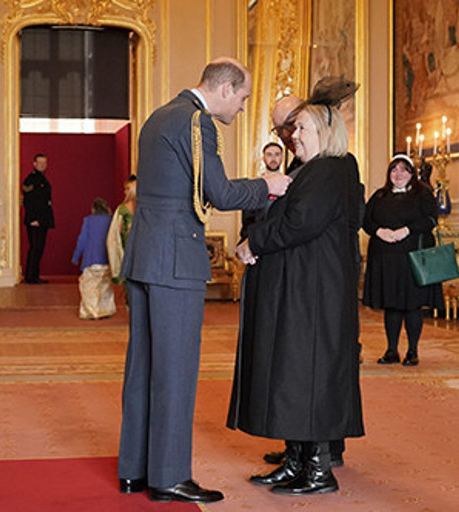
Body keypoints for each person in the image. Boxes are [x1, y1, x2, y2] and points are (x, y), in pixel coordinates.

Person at [117, 57, 291, 504]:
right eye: (244, 97)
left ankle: (135, 470)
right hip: (175, 259)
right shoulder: (198, 123)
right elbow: (221, 194)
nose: (242, 107)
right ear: (226, 89)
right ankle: (170, 476)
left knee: (143, 367)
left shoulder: (159, 116)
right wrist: (269, 184)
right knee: (174, 371)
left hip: (144, 256)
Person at [228, 91, 364, 496]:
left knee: (311, 372)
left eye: (300, 128)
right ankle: (296, 461)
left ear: (323, 130)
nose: (293, 137)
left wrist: (254, 241)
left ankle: (320, 470)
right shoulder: (315, 169)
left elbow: (300, 222)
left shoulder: (329, 170)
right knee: (294, 370)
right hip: (303, 287)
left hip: (316, 293)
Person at [362, 154, 444, 366]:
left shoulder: (422, 194)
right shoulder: (380, 195)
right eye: (394, 170)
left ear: (412, 174)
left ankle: (412, 351)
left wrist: (406, 231)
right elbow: (365, 220)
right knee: (392, 306)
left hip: (412, 259)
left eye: (404, 170)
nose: (398, 174)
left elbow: (431, 220)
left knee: (412, 306)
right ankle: (391, 350)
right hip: (385, 259)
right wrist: (379, 231)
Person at [72, 198, 116, 320]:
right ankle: (105, 310)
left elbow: (82, 240)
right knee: (105, 287)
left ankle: (91, 312)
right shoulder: (111, 220)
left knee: (89, 287)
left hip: (91, 260)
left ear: (93, 209)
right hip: (107, 259)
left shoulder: (88, 221)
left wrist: (76, 257)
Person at [22, 153, 54, 284]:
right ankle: (30, 276)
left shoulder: (42, 178)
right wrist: (33, 219)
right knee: (35, 248)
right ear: (34, 164)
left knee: (39, 248)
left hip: (42, 219)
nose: (42, 165)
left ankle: (34, 275)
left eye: (44, 163)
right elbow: (29, 201)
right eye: (40, 163)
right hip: (35, 220)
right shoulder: (31, 179)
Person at [106, 175, 137, 284]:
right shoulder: (122, 210)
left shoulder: (143, 209)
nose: (125, 192)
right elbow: (114, 236)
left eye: (127, 189)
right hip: (126, 255)